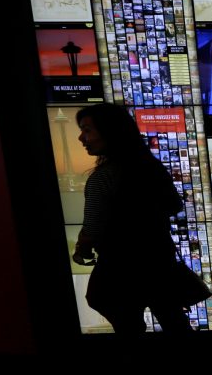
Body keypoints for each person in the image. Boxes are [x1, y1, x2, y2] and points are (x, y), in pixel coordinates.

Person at [72, 103, 190, 336]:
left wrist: (82, 250)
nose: (81, 138)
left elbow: (92, 226)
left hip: (120, 269)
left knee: (126, 325)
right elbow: (174, 205)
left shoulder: (102, 178)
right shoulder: (151, 167)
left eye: (87, 130)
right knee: (174, 322)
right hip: (159, 262)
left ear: (109, 132)